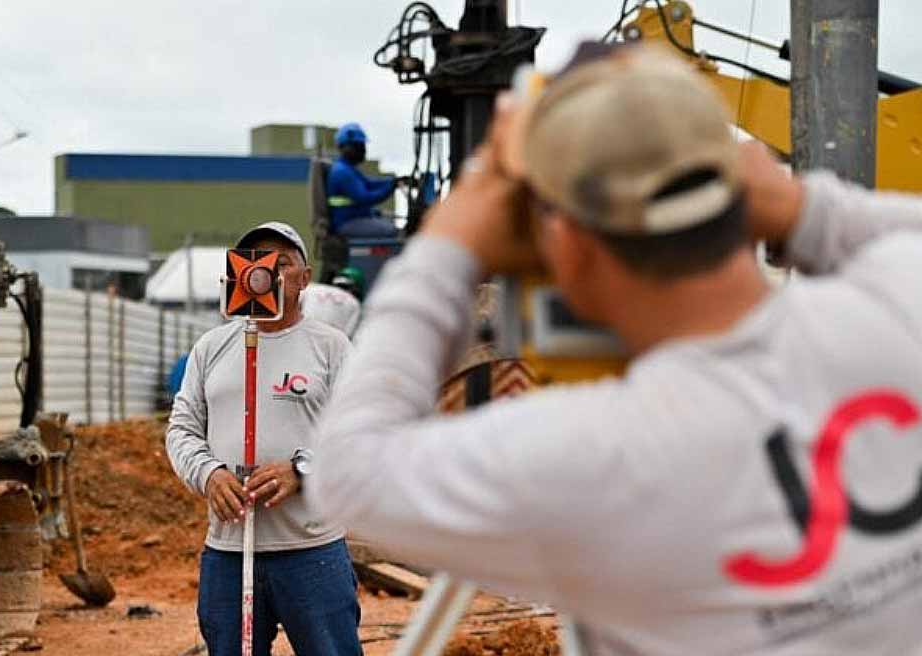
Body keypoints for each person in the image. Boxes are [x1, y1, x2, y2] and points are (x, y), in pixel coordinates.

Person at [309, 42, 922, 654]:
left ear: (569, 245)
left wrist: (448, 244)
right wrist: (798, 207)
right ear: (745, 180)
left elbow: (349, 475)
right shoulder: (896, 308)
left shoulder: (597, 456)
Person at [166, 221, 361, 656]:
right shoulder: (211, 347)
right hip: (229, 552)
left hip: (311, 549)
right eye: (256, 261)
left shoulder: (332, 348)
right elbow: (181, 428)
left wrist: (301, 470)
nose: (266, 272)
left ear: (305, 279)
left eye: (281, 262)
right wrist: (209, 474)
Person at [326, 122, 401, 238]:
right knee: (393, 232)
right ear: (345, 147)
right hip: (348, 223)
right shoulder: (342, 172)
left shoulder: (347, 168)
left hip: (355, 218)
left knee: (392, 227)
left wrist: (393, 181)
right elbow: (365, 198)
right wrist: (391, 187)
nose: (363, 151)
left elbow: (369, 183)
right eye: (359, 146)